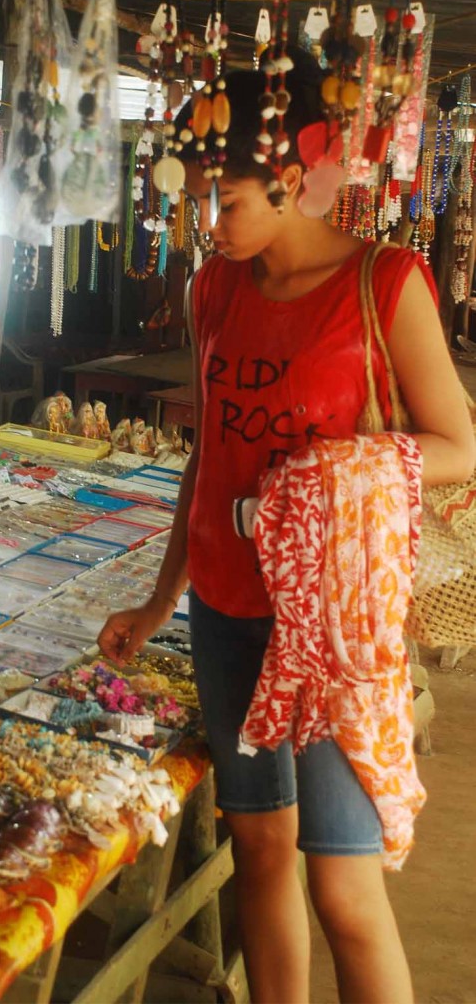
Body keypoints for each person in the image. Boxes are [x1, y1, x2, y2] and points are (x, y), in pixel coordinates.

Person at [97, 50, 476, 1004]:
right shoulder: (211, 289)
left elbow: (456, 445)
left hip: (334, 624)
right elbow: (209, 455)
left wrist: (346, 463)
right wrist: (156, 603)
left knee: (341, 883)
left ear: (294, 183)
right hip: (226, 609)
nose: (208, 225)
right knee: (259, 850)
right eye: (198, 205)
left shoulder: (386, 284)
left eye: (227, 204)